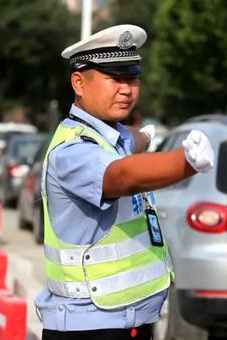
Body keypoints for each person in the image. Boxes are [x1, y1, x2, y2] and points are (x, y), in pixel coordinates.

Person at [35, 24, 215, 340]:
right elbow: (123, 176)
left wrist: (143, 136)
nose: (126, 89)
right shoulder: (73, 150)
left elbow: (129, 141)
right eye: (114, 79)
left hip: (127, 320)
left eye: (131, 79)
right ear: (79, 82)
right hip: (90, 326)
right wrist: (185, 162)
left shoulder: (110, 136)